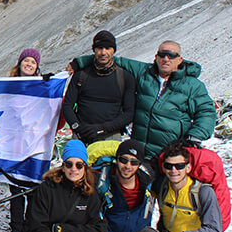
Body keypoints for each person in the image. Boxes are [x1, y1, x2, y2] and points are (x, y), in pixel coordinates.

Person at [71, 40, 216, 164]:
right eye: (162, 54)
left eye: (171, 55)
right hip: (139, 152)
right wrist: (79, 62)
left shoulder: (192, 85)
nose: (166, 59)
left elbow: (206, 112)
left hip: (170, 153)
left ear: (180, 60)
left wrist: (194, 137)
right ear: (156, 57)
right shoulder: (144, 73)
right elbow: (111, 59)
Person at [3, 48, 45, 232]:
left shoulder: (42, 87)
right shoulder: (7, 86)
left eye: (33, 62)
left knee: (34, 189)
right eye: (26, 60)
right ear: (19, 63)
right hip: (14, 144)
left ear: (37, 66)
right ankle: (16, 229)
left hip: (34, 145)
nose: (29, 64)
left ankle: (30, 230)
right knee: (15, 188)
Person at [62, 31, 135, 145]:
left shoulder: (125, 77)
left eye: (107, 48)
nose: (103, 52)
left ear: (114, 50)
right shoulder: (81, 75)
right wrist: (76, 127)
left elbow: (129, 113)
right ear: (94, 50)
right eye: (99, 48)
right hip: (81, 134)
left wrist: (103, 128)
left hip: (110, 135)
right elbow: (67, 105)